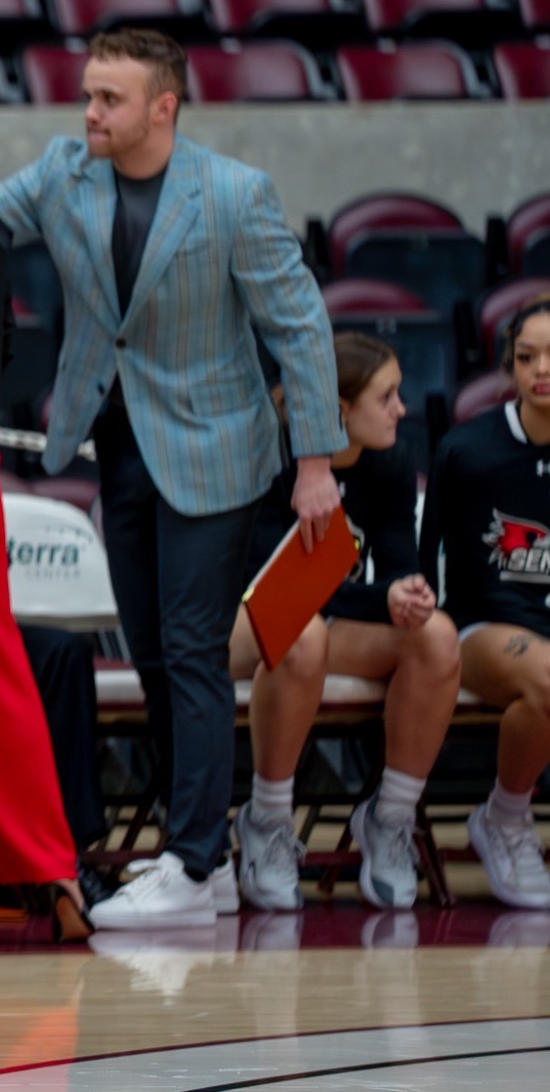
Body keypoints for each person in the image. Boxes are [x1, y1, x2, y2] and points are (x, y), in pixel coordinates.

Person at [0, 29, 344, 929]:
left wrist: (314, 462)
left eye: (109, 98)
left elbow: (300, 325)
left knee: (190, 649)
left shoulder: (233, 193)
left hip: (216, 445)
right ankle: (204, 863)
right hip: (117, 445)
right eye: (88, 94)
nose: (90, 112)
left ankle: (192, 856)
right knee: (150, 652)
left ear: (164, 106)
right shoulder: (65, 173)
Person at [225, 333, 460, 911]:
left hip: (330, 620)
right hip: (239, 621)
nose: (401, 409)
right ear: (339, 409)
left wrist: (408, 596)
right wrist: (381, 601)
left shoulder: (392, 459)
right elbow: (267, 588)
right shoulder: (270, 452)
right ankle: (267, 820)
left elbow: (399, 569)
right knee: (300, 635)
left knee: (434, 635)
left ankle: (390, 818)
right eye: (386, 397)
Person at [419, 298, 550, 910]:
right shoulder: (468, 450)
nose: (542, 369)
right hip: (481, 628)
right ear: (509, 366)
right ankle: (506, 816)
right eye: (527, 357)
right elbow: (423, 560)